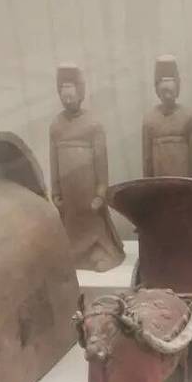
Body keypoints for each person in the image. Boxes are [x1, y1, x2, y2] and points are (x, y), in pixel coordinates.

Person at [50, 63, 124, 272]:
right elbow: (54, 161)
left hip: (89, 197)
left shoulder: (93, 124)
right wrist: (55, 191)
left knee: (95, 228)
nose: (67, 100)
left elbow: (101, 163)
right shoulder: (56, 125)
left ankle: (99, 252)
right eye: (63, 95)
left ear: (80, 93)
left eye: (71, 95)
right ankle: (74, 255)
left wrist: (101, 193)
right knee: (70, 232)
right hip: (69, 199)